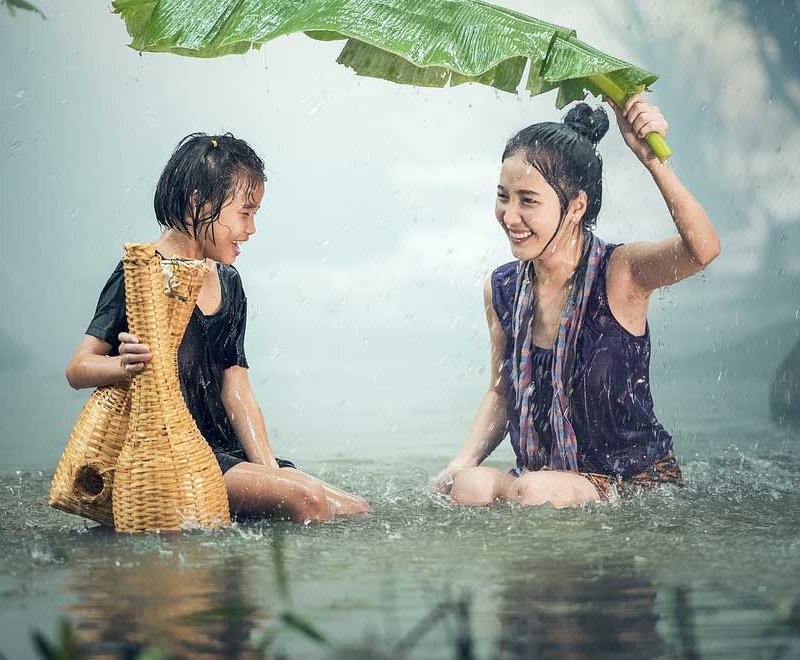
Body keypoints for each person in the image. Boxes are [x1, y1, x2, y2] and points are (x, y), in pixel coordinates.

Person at [432, 95, 720, 508]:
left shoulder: (620, 274)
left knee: (532, 490)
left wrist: (653, 161)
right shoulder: (503, 289)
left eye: (527, 201)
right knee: (470, 486)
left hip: (632, 482)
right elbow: (501, 391)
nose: (509, 217)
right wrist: (460, 462)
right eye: (503, 196)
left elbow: (703, 249)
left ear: (575, 207)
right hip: (545, 480)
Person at [66, 132, 370, 523]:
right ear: (199, 202)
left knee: (355, 509)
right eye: (245, 213)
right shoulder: (142, 275)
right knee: (308, 499)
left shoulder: (228, 282)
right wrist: (121, 366)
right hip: (178, 457)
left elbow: (237, 389)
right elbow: (77, 368)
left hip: (227, 453)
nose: (252, 228)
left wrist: (270, 472)